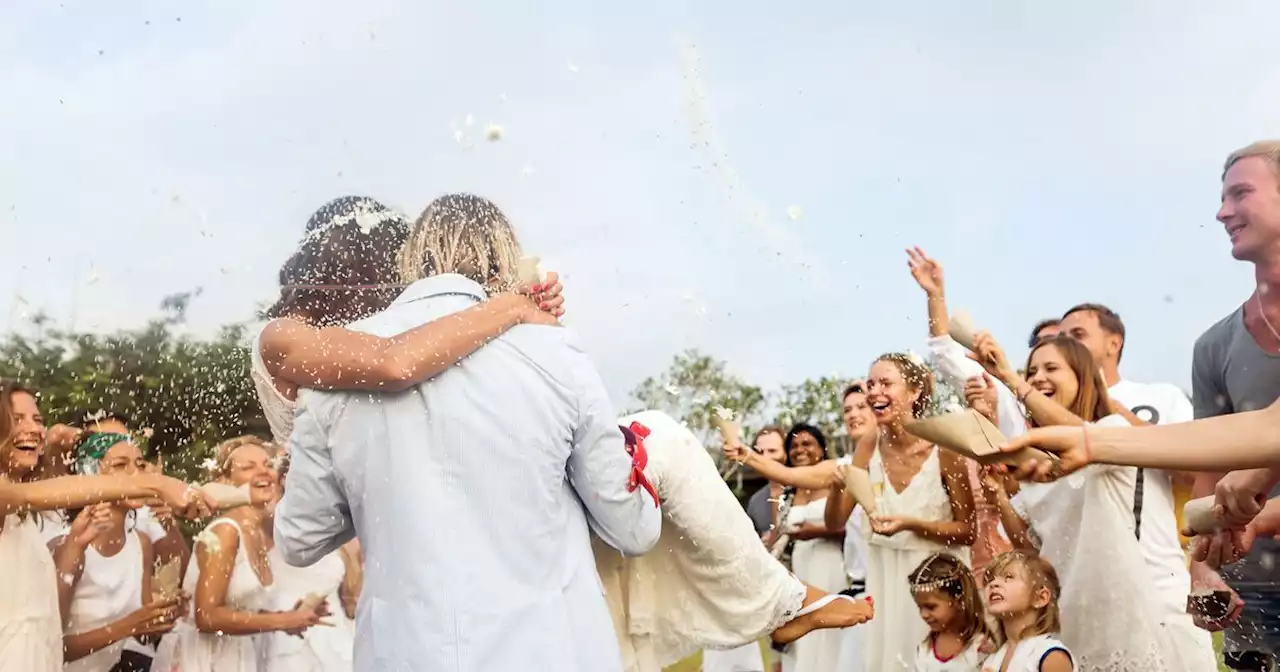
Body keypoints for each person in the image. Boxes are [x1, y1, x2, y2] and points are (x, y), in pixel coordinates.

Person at [274, 193, 662, 671]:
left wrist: (374, 490)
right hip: (549, 652)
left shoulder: (334, 365)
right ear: (505, 258)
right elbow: (633, 529)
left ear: (410, 258)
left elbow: (299, 539)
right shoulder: (553, 350)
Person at [968, 333, 1192, 670]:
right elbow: (1030, 546)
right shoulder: (1036, 459)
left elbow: (1087, 439)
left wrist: (1011, 380)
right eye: (1032, 371)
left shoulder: (1110, 431)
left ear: (1082, 378)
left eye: (1051, 368)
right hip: (1066, 607)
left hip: (1116, 604)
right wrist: (999, 493)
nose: (1038, 377)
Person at [598, 411, 872, 672]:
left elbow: (835, 520)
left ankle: (784, 598)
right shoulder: (772, 497)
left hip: (828, 567)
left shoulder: (841, 469)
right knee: (664, 435)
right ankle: (786, 599)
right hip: (790, 567)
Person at [0, 381, 214, 672]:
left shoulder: (23, 516)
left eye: (38, 419)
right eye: (17, 418)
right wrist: (156, 483)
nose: (36, 428)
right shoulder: (14, 501)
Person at [1189, 138, 1280, 672]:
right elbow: (1207, 468)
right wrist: (1202, 569)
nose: (1223, 212)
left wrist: (1262, 516)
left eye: (1240, 193)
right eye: (1222, 198)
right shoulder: (1214, 347)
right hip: (1255, 591)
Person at [155, 436, 327, 672]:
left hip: (237, 656)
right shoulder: (225, 531)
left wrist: (290, 617)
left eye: (268, 465)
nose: (263, 472)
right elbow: (206, 617)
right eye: (248, 467)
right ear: (226, 481)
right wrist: (283, 621)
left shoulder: (261, 535)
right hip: (202, 659)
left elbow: (239, 611)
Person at [51, 435, 184, 672]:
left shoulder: (141, 543)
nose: (136, 474)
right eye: (121, 465)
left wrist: (163, 617)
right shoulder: (66, 544)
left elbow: (143, 637)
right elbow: (49, 646)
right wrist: (129, 626)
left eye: (140, 465)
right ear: (90, 475)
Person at [979, 552, 1072, 672]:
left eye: (1009, 577)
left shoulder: (1051, 655)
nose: (993, 584)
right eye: (990, 580)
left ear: (1040, 598)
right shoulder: (992, 660)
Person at [909, 552, 991, 671]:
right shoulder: (924, 648)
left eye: (931, 607)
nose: (924, 615)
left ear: (959, 599)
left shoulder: (980, 648)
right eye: (920, 607)